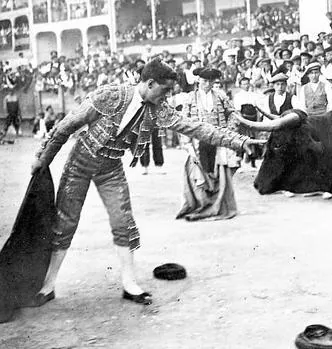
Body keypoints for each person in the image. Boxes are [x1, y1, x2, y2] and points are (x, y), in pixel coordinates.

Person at [28, 59, 263, 307]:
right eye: (165, 90)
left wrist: (239, 141)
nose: (168, 96)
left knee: (124, 223)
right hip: (80, 162)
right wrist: (42, 159)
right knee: (66, 221)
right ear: (150, 84)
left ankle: (130, 285)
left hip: (111, 168)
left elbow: (198, 128)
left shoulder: (158, 108)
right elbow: (66, 126)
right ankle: (48, 285)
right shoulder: (111, 94)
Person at [177, 67, 245, 221]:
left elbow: (233, 114)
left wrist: (228, 132)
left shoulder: (220, 96)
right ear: (198, 80)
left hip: (217, 138)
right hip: (197, 140)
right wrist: (187, 143)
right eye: (204, 80)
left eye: (210, 81)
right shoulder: (189, 98)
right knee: (198, 171)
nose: (207, 84)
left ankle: (218, 205)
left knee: (219, 171)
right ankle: (201, 204)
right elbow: (182, 121)